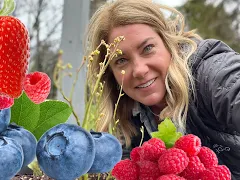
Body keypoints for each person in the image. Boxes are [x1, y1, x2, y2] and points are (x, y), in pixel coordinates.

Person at [85, 0, 240, 179]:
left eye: (148, 48)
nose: (139, 70)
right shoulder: (129, 116)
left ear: (169, 43)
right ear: (111, 73)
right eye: (121, 60)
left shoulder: (212, 74)